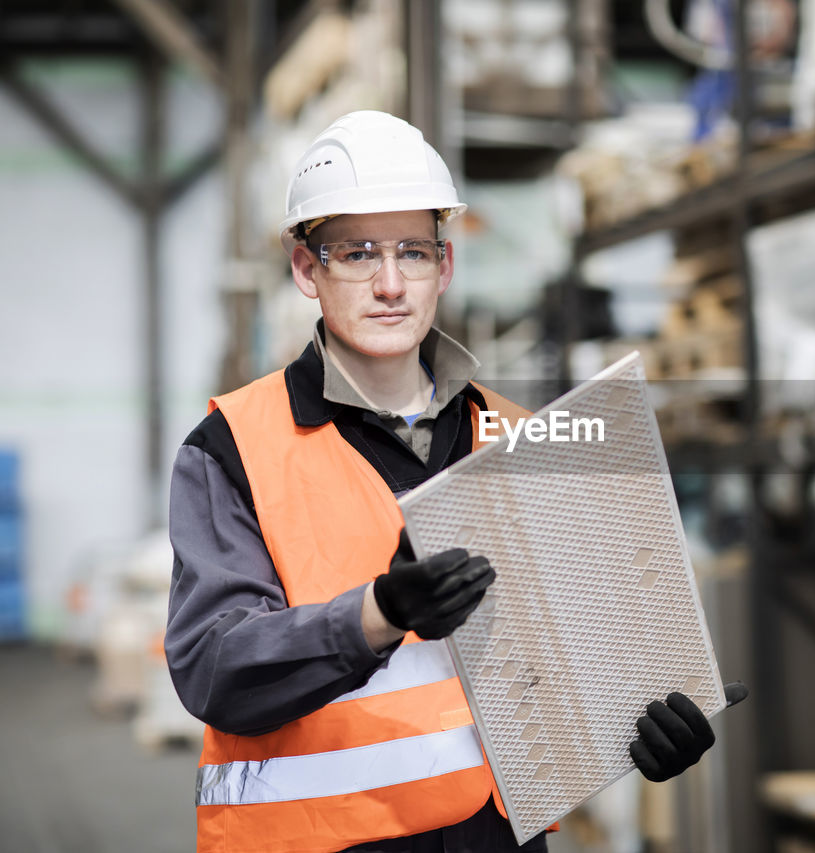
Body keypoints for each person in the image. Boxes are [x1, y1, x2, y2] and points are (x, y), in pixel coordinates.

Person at [165, 110, 746, 853]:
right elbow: (214, 669)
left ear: (445, 266)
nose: (388, 283)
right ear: (307, 268)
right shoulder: (235, 449)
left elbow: (565, 662)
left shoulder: (520, 435)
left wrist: (642, 725)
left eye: (412, 251)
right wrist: (377, 611)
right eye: (356, 253)